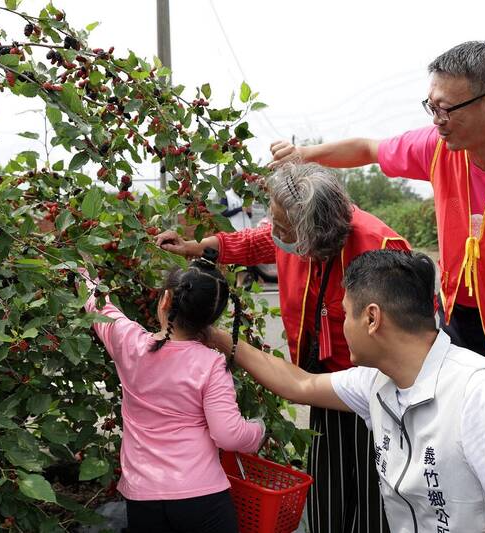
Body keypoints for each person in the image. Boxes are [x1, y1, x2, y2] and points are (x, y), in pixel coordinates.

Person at [270, 40, 485, 421]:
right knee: (446, 432)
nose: (436, 120)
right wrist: (305, 155)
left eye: (446, 109)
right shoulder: (439, 148)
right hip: (450, 321)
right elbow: (367, 149)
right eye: (431, 106)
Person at [204, 250, 485, 533]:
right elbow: (299, 384)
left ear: (372, 319)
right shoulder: (376, 381)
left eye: (344, 315)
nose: (342, 328)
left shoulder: (484, 395)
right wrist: (220, 339)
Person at [156, 163, 410, 533]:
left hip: (377, 389)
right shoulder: (290, 231)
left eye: (282, 226)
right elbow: (257, 241)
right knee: (330, 483)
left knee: (376, 492)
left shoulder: (381, 249)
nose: (273, 232)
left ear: (312, 233)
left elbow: (409, 338)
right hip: (325, 381)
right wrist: (199, 247)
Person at [80, 250, 265, 533]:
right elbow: (228, 434)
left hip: (144, 497)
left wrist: (80, 269)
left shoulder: (129, 343)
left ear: (165, 299)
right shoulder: (211, 364)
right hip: (202, 497)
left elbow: (97, 305)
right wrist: (257, 430)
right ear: (211, 319)